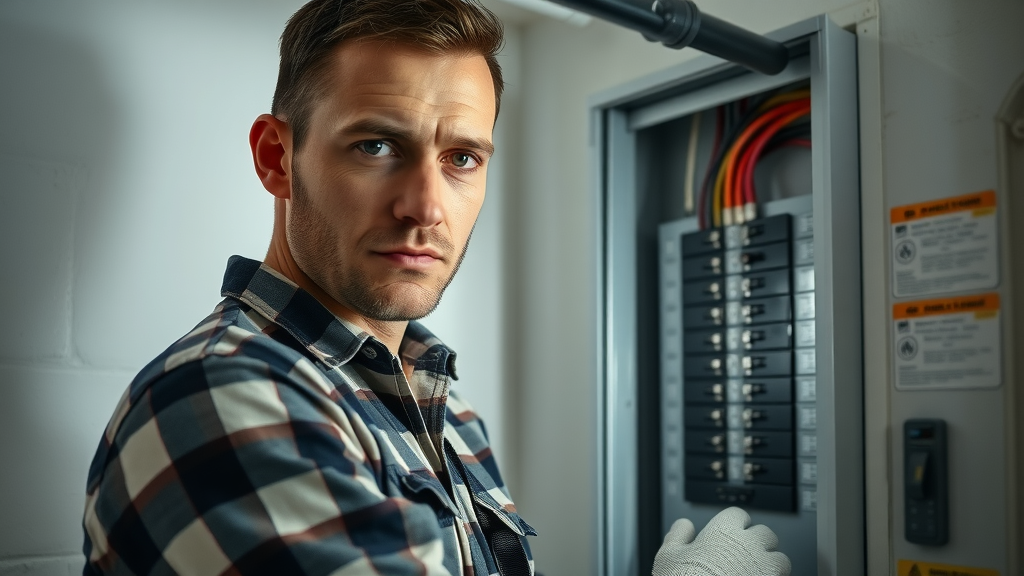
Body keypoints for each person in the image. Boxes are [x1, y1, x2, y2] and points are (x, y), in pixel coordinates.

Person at [81, 1, 790, 574]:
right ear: (277, 158)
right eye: (376, 145)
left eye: (461, 158)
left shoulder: (440, 405)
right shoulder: (224, 397)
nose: (425, 207)